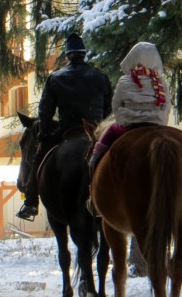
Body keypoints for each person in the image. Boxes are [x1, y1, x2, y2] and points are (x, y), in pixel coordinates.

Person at [17, 32, 113, 220]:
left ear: (67, 56)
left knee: (38, 158)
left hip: (67, 129)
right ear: (83, 54)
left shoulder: (56, 78)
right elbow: (108, 112)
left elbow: (45, 111)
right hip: (94, 131)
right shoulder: (100, 77)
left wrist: (44, 135)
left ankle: (30, 202)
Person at [88, 41, 170, 175]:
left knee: (105, 139)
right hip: (156, 123)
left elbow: (116, 105)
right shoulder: (160, 82)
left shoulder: (125, 80)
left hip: (129, 125)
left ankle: (94, 164)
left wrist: (123, 119)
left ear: (133, 58)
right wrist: (161, 122)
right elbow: (167, 106)